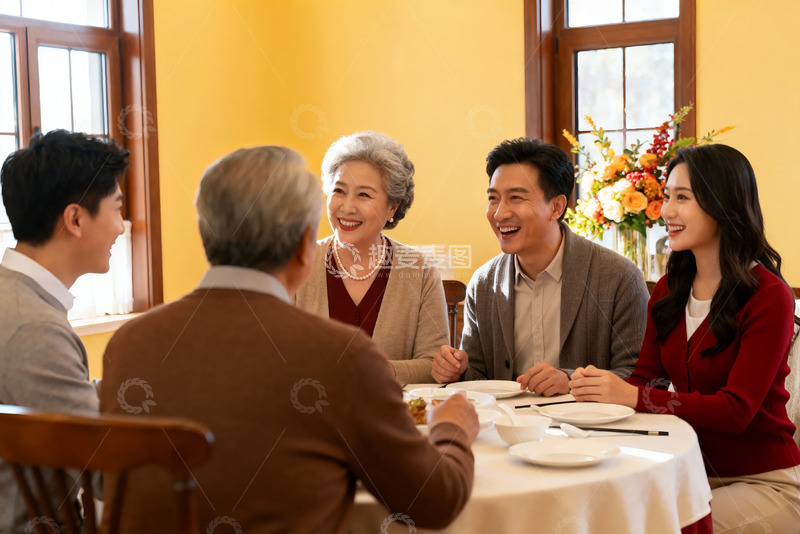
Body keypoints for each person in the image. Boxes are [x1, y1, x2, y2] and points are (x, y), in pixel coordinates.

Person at [100, 145, 478, 533]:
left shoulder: (128, 343)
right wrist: (453, 430)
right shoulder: (337, 356)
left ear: (205, 233)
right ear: (304, 247)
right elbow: (433, 503)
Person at [570, 144, 800, 533]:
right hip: (687, 472)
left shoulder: (768, 294)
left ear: (722, 204)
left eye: (682, 198)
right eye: (666, 196)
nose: (666, 211)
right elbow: (647, 379)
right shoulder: (668, 290)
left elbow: (735, 411)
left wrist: (631, 396)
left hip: (764, 482)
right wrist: (591, 390)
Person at [432, 138, 649, 396]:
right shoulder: (483, 284)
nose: (500, 214)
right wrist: (458, 370)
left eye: (516, 198)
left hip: (590, 433)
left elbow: (638, 377)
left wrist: (569, 382)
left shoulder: (619, 278)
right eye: (493, 198)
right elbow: (479, 378)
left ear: (557, 207)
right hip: (508, 430)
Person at [0, 130, 129, 532]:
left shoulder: (16, 298)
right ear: (75, 219)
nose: (122, 227)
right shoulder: (32, 328)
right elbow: (105, 469)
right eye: (117, 209)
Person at [295, 131, 448, 384]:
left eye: (364, 195)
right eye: (339, 191)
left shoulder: (420, 270)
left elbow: (434, 364)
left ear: (392, 207)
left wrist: (381, 370)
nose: (347, 207)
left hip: (392, 417)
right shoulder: (296, 263)